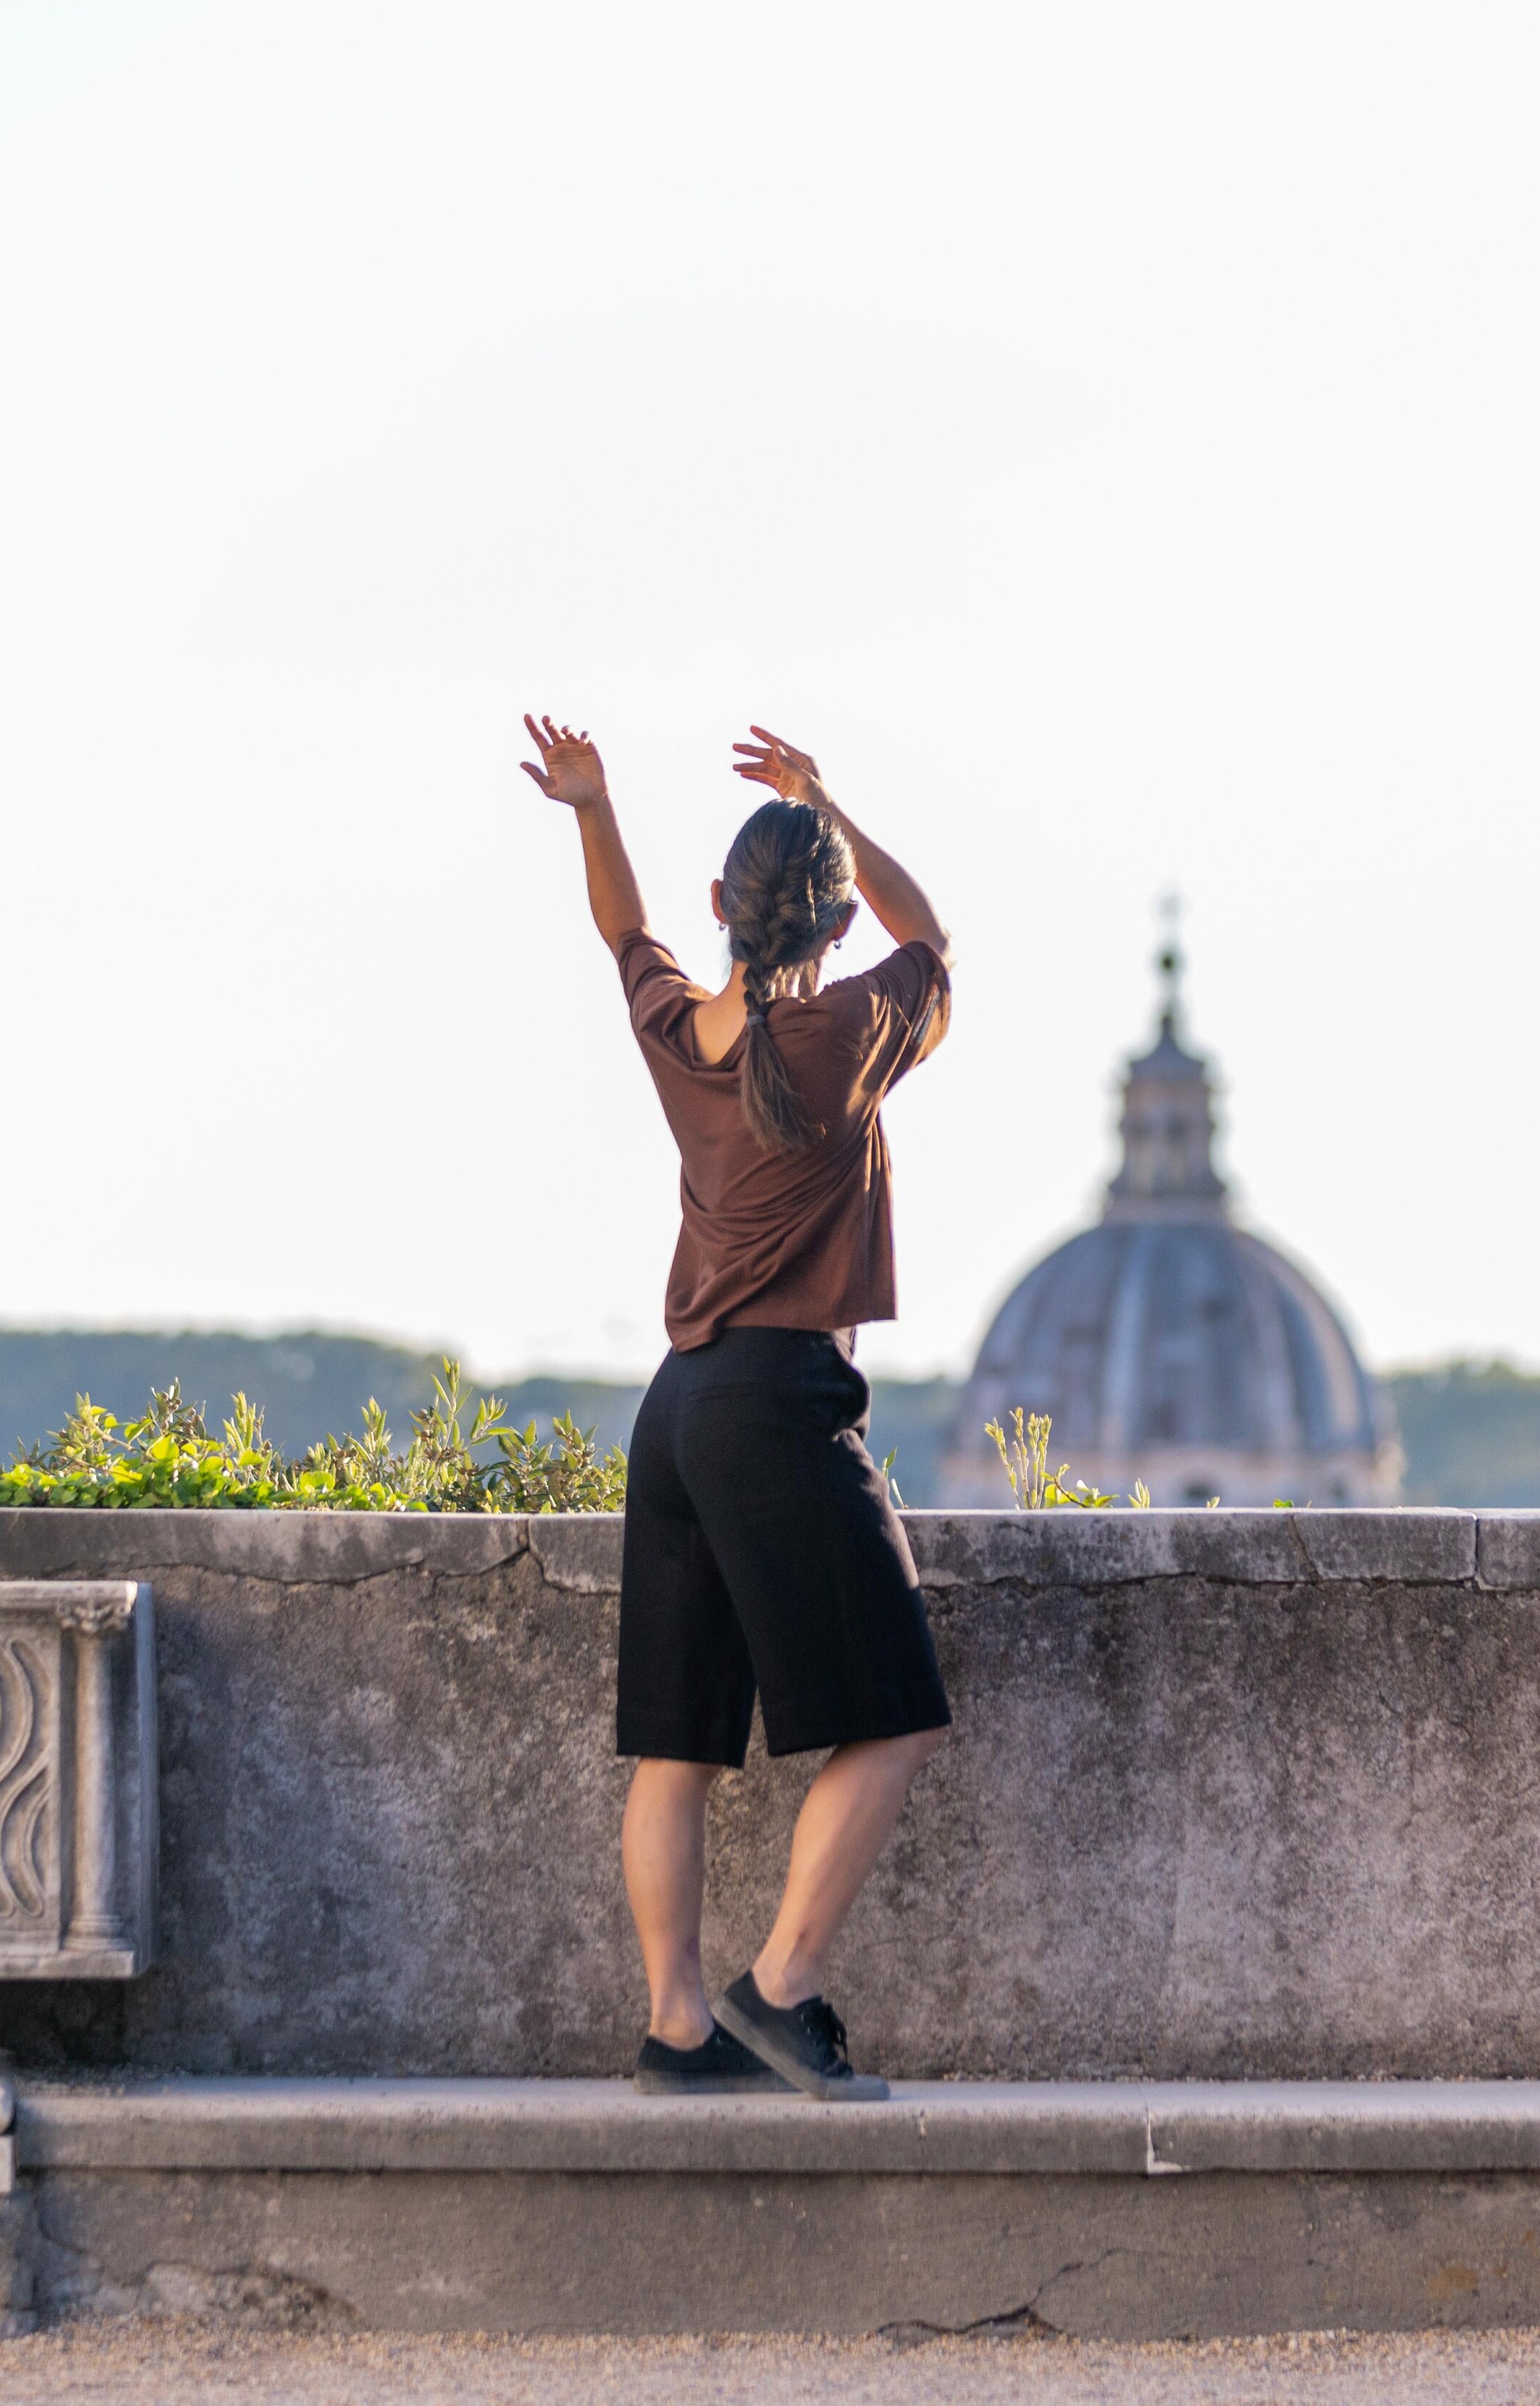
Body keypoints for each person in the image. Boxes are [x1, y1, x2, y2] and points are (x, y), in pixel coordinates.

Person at [517, 713, 956, 2104]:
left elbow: (623, 932)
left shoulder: (682, 1035)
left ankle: (678, 2027)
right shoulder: (845, 1030)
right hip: (778, 1398)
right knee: (888, 1716)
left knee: (678, 1743)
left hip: (678, 1407)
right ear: (830, 917)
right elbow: (934, 940)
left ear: (726, 907)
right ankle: (782, 1990)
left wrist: (592, 805)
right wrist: (831, 799)